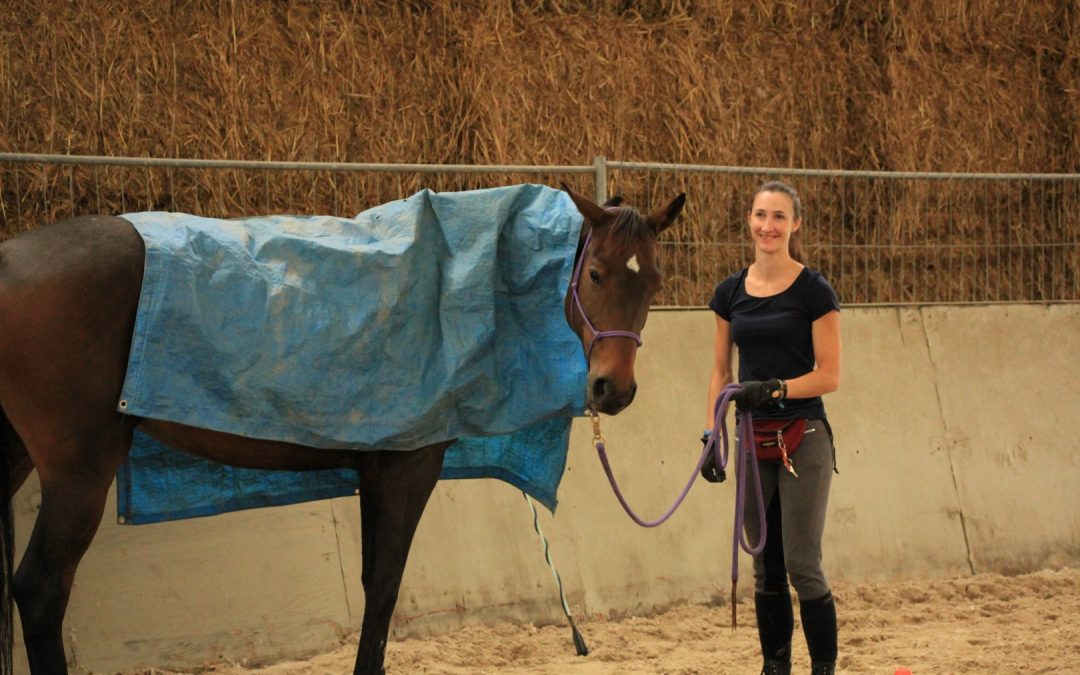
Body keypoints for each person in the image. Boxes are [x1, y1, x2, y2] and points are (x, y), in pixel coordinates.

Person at [704, 181, 842, 675]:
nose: (769, 226)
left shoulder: (814, 291)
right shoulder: (729, 293)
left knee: (802, 565)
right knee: (765, 565)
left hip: (804, 436)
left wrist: (777, 389)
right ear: (749, 220)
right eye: (761, 215)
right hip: (750, 438)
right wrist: (712, 438)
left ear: (795, 225)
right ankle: (775, 666)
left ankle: (823, 667)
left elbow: (829, 374)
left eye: (779, 217)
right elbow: (721, 373)